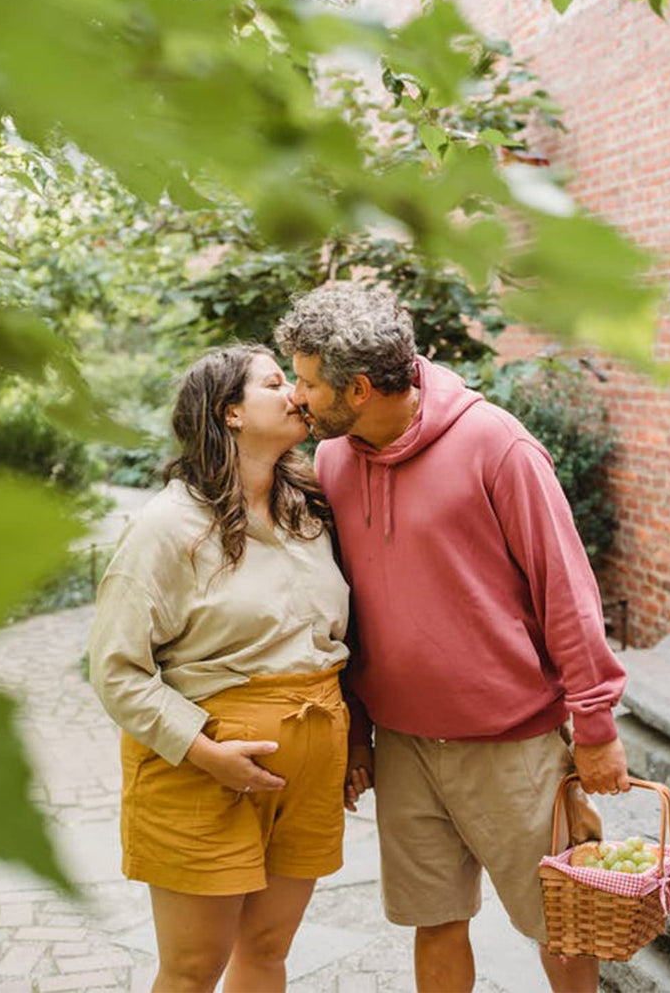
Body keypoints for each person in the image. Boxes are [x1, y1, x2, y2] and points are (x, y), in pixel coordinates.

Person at [275, 282, 627, 993]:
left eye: (308, 381)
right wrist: (357, 735)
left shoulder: (496, 446)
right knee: (432, 921)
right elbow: (351, 612)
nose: (295, 394)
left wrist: (593, 725)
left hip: (511, 743)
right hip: (404, 745)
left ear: (362, 389)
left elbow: (566, 592)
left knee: (560, 923)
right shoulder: (336, 460)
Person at [88, 344, 353, 993]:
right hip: (199, 775)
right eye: (273, 383)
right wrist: (205, 752)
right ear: (229, 412)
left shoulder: (309, 507)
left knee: (265, 951)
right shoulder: (165, 529)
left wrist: (358, 738)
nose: (295, 392)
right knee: (191, 970)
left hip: (311, 769)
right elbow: (116, 670)